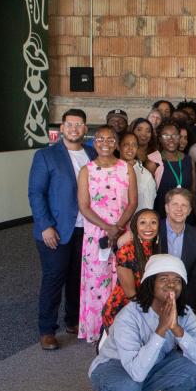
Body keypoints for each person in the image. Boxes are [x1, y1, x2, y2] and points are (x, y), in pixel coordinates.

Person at [83, 255, 196, 391]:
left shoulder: (185, 312)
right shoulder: (129, 316)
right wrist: (161, 329)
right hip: (116, 367)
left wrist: (176, 328)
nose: (171, 285)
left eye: (177, 280)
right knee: (127, 387)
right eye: (164, 279)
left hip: (153, 363)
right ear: (150, 283)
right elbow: (136, 372)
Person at [29, 108, 97, 349]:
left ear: (85, 129)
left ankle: (73, 320)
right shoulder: (46, 156)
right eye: (69, 124)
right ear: (61, 129)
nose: (74, 129)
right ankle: (47, 329)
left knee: (77, 277)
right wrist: (45, 226)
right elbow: (36, 193)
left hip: (86, 228)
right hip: (56, 229)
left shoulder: (92, 153)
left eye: (79, 124)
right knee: (54, 278)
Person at [77, 126, 138, 342]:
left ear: (116, 143)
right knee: (97, 281)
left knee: (122, 280)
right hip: (96, 235)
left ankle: (121, 332)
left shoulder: (126, 168)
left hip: (123, 233)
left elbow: (133, 202)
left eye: (110, 139)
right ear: (94, 142)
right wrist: (107, 227)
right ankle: (97, 330)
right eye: (100, 139)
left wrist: (118, 227)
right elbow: (84, 206)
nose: (105, 142)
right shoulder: (87, 170)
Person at [101, 208, 160, 329]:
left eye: (153, 222)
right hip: (124, 309)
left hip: (147, 306)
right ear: (135, 227)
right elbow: (131, 295)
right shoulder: (126, 251)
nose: (148, 227)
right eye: (143, 222)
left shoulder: (157, 249)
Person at [158, 188, 196, 312]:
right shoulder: (153, 230)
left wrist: (186, 307)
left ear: (189, 210)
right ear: (166, 208)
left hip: (184, 296)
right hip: (155, 295)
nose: (179, 209)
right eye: (175, 204)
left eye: (184, 205)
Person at [147, 120, 195, 222]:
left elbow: (194, 192)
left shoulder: (188, 160)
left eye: (175, 135)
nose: (171, 139)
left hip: (186, 216)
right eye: (166, 136)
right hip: (162, 217)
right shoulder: (154, 162)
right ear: (159, 139)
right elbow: (147, 196)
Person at [119, 132, 156, 211]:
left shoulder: (146, 176)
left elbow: (148, 208)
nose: (130, 148)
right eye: (126, 144)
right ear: (118, 147)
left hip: (135, 221)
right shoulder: (110, 170)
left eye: (134, 145)